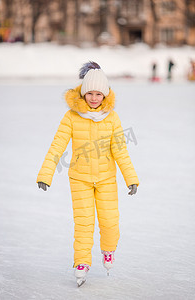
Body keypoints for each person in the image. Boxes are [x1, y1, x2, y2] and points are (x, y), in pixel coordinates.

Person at [36, 61, 139, 286]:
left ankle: (108, 250)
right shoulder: (72, 117)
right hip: (80, 179)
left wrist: (131, 178)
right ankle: (81, 262)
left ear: (105, 94)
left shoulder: (112, 118)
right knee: (84, 223)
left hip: (106, 179)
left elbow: (120, 151)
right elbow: (57, 146)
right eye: (90, 93)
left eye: (98, 93)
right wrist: (46, 173)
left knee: (110, 222)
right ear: (83, 93)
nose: (94, 98)